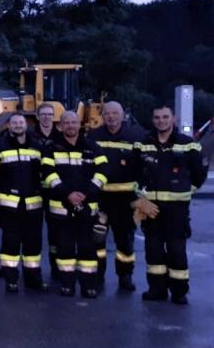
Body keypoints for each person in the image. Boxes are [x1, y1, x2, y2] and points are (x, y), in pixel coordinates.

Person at [134, 105, 209, 304]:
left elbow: (200, 173)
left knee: (177, 252)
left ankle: (179, 291)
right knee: (153, 251)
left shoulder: (188, 144)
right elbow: (134, 174)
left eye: (165, 117)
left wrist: (186, 190)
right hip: (150, 208)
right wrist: (140, 199)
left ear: (173, 119)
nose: (161, 121)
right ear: (153, 120)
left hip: (177, 210)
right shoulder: (142, 144)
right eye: (157, 117)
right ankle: (156, 289)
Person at [41, 111, 107, 298]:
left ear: (80, 125)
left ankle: (89, 286)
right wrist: (67, 194)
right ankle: (67, 285)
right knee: (65, 248)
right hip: (61, 208)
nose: (70, 126)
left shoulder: (93, 147)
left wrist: (86, 194)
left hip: (88, 208)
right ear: (60, 126)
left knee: (88, 248)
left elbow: (102, 172)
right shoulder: (51, 148)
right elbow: (48, 174)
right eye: (66, 123)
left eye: (74, 122)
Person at [0, 113, 47, 292]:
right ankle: (11, 280)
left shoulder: (37, 147)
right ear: (9, 126)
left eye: (21, 122)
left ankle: (33, 279)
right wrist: (4, 183)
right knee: (10, 244)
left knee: (33, 245)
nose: (18, 125)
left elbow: (45, 171)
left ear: (26, 125)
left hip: (34, 205)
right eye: (14, 123)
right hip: (9, 206)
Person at [87, 102, 145, 292]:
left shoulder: (135, 137)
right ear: (102, 115)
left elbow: (144, 167)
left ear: (122, 115)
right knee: (97, 240)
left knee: (125, 242)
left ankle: (125, 276)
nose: (111, 117)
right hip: (100, 198)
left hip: (126, 200)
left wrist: (140, 195)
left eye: (114, 113)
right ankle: (97, 275)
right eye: (107, 113)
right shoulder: (93, 136)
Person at [33, 103, 60, 278]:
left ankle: (56, 267)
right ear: (37, 116)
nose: (46, 117)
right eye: (43, 114)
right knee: (33, 231)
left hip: (54, 190)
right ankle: (32, 269)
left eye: (50, 114)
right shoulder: (29, 136)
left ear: (54, 116)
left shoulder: (60, 137)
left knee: (56, 231)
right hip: (33, 189)